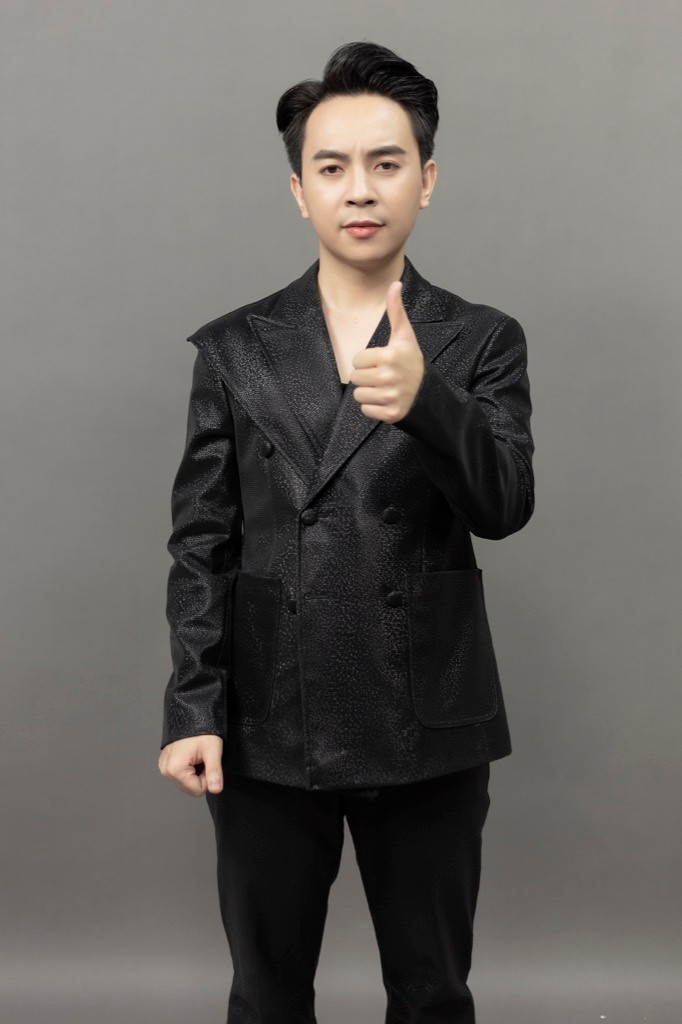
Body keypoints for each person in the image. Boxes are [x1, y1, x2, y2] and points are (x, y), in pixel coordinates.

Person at [158, 40, 535, 1024]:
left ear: (426, 179)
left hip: (429, 714)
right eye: (331, 167)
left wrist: (429, 402)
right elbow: (201, 542)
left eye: (385, 163)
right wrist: (193, 707)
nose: (359, 189)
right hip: (268, 719)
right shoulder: (235, 349)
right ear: (300, 191)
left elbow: (505, 506)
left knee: (433, 991)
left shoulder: (480, 339)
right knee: (267, 993)